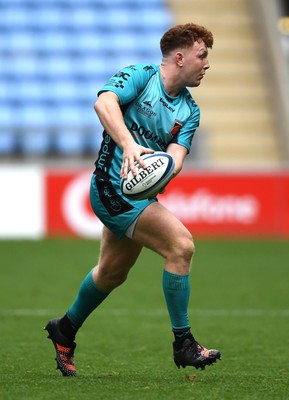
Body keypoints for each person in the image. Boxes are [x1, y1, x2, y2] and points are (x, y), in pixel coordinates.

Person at [44, 22, 221, 377]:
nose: (207, 64)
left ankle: (64, 329)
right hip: (110, 189)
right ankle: (183, 343)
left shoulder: (189, 111)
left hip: (138, 194)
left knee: (111, 274)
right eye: (202, 56)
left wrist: (164, 167)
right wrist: (129, 145)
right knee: (181, 246)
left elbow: (176, 159)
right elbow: (103, 102)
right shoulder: (139, 76)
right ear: (180, 57)